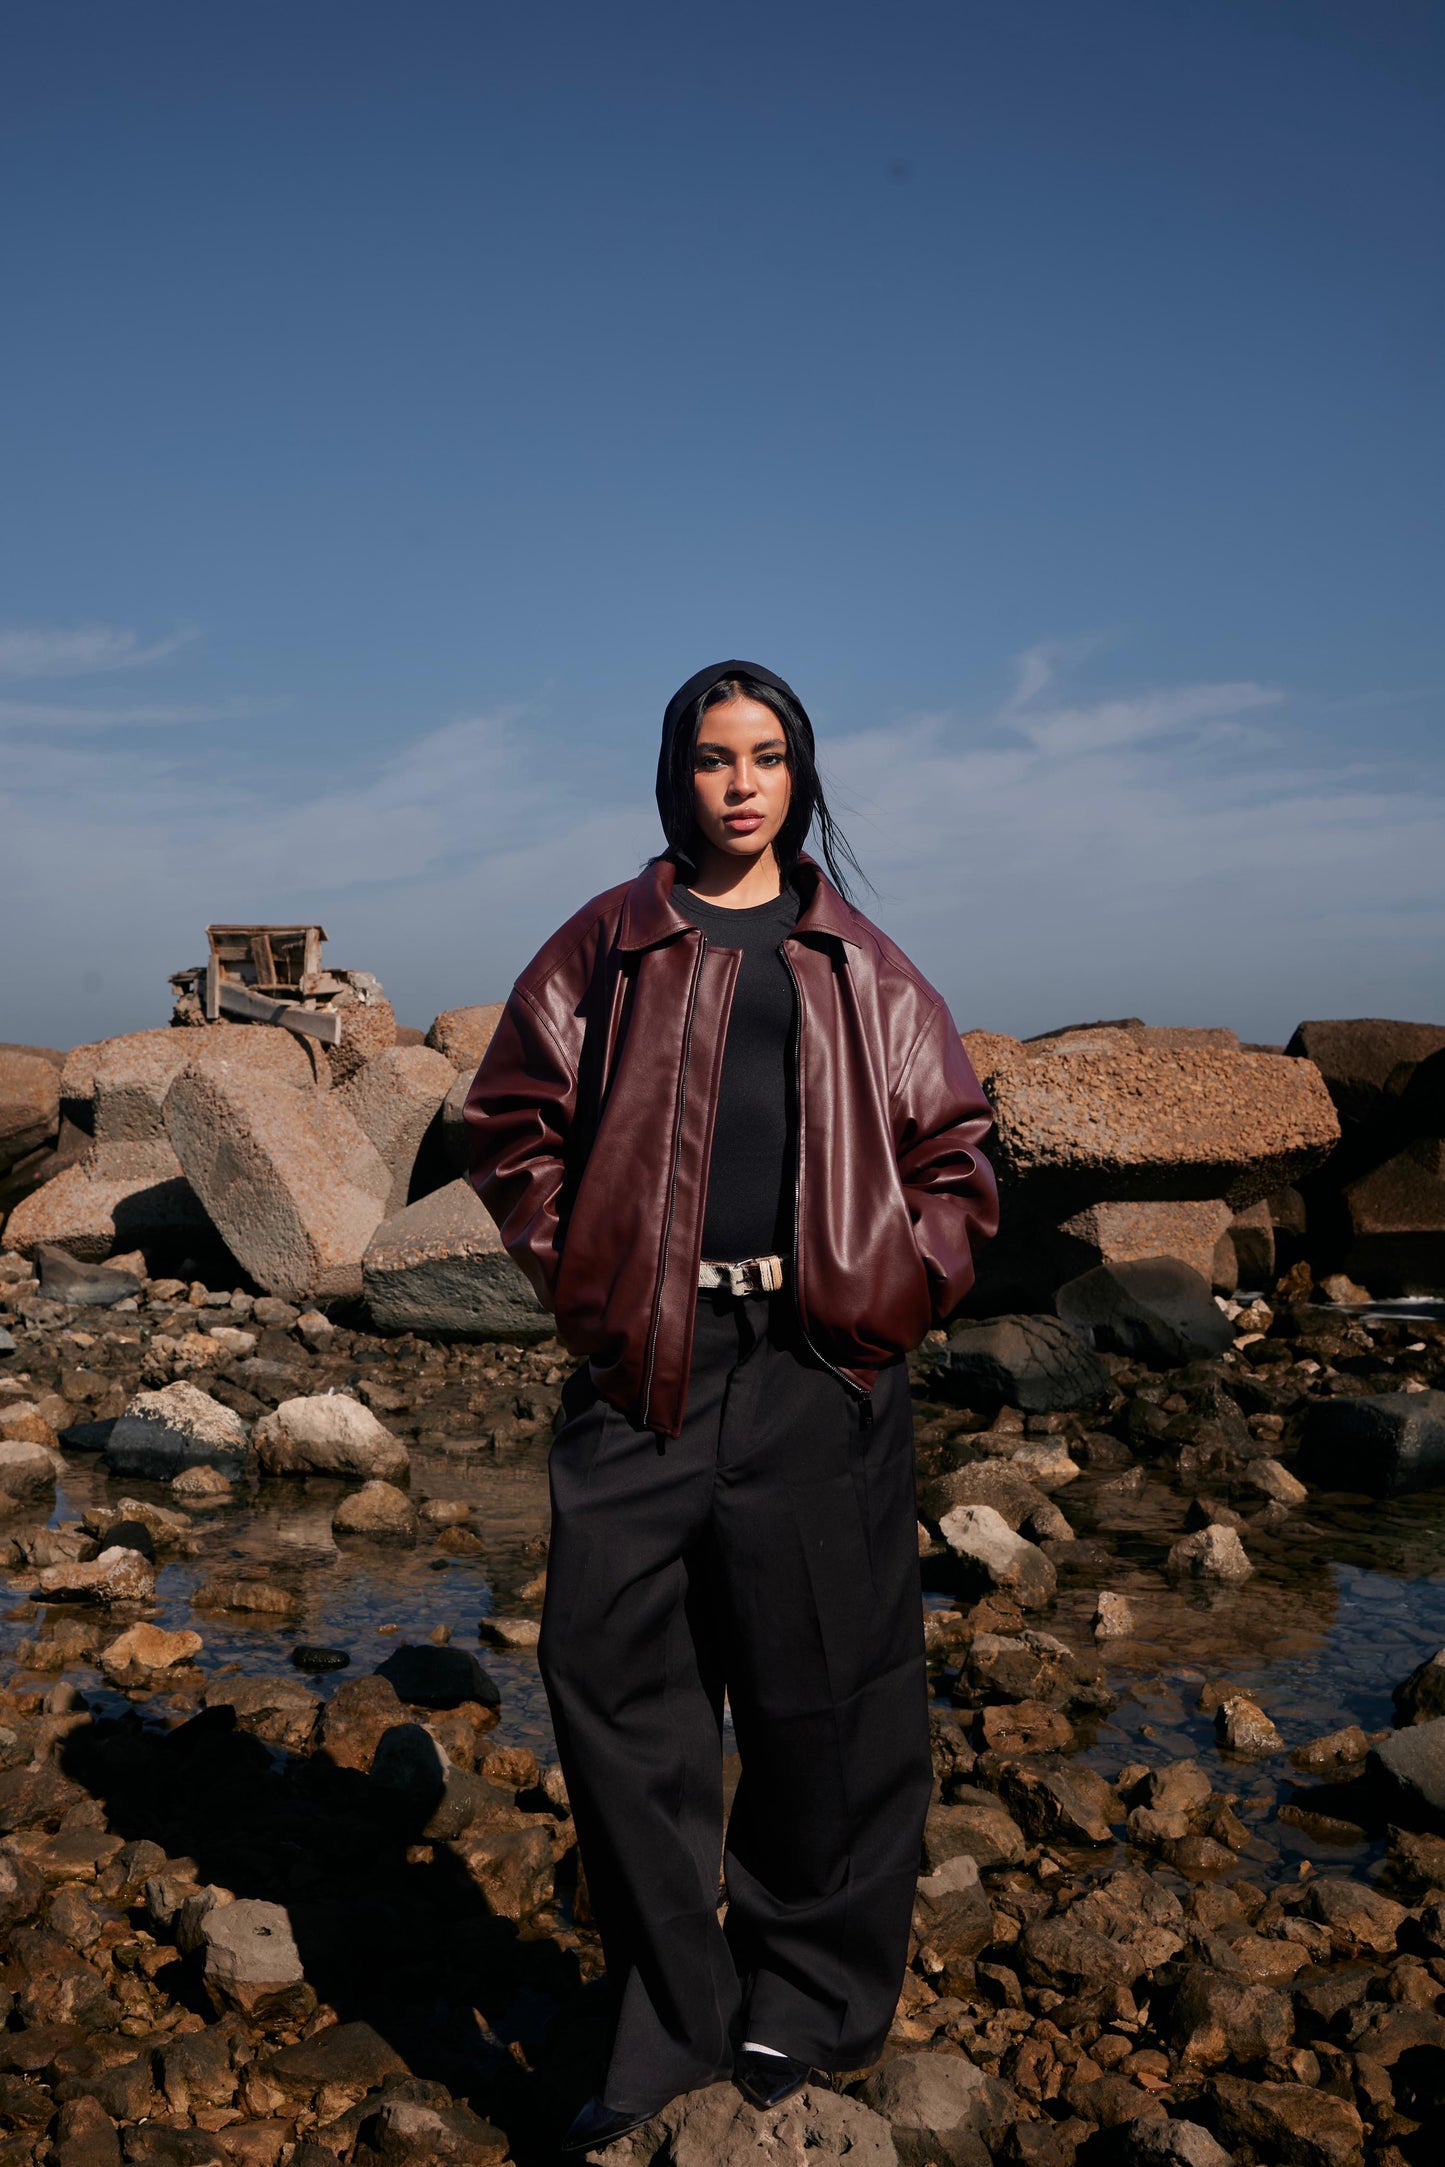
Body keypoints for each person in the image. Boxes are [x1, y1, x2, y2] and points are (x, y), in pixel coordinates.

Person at [464, 660, 998, 2151]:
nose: (741, 782)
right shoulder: (611, 942)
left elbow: (958, 1150)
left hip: (817, 1369)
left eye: (766, 756)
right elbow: (508, 1120)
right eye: (714, 758)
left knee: (829, 1701)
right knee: (608, 1683)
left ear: (800, 776)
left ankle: (804, 2002)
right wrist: (586, 1276)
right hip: (644, 1366)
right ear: (677, 776)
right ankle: (672, 2016)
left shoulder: (859, 961)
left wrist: (894, 1292)